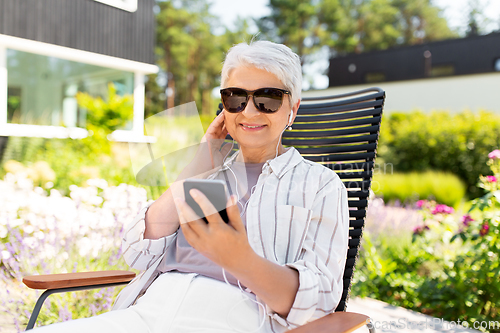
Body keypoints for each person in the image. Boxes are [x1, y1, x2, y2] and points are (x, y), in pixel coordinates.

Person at [32, 41, 349, 333]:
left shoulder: (320, 186)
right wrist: (203, 157)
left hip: (236, 319)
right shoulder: (208, 174)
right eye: (236, 98)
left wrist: (241, 260)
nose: (249, 111)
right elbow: (137, 252)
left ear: (292, 109)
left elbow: (319, 301)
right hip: (147, 312)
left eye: (268, 99)